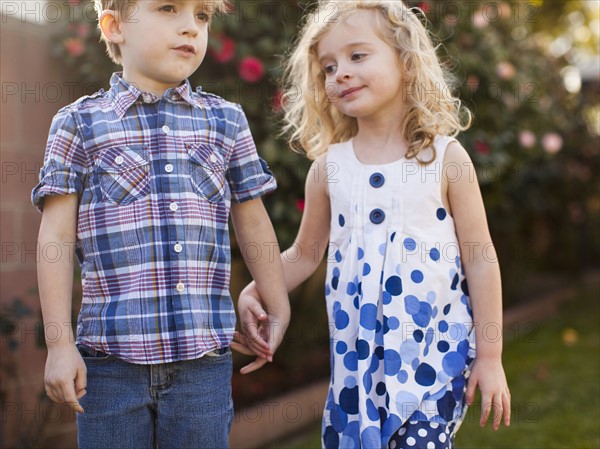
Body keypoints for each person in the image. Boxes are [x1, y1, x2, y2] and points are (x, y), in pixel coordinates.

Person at [234, 1, 511, 448]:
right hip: (356, 373)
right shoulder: (329, 170)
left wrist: (492, 356)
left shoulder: (445, 159)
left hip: (434, 362)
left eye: (357, 56)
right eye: (328, 66)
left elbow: (481, 260)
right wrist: (256, 288)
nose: (339, 73)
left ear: (405, 61)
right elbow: (304, 254)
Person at [32, 1, 290, 448]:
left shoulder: (225, 121)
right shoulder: (78, 124)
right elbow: (54, 237)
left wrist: (278, 304)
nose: (190, 27)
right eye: (169, 8)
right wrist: (59, 344)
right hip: (110, 367)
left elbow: (252, 219)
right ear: (114, 27)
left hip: (202, 367)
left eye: (202, 16)